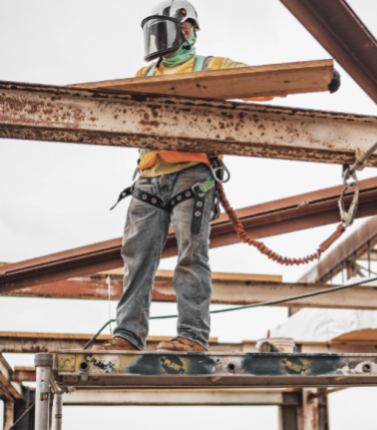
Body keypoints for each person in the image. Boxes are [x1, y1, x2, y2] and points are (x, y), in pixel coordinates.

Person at [91, 0, 277, 353]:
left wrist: (314, 81)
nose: (157, 40)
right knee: (137, 256)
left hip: (193, 176)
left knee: (192, 255)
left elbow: (262, 83)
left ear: (187, 30)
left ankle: (192, 336)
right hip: (148, 177)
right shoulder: (144, 76)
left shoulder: (211, 68)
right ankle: (127, 337)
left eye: (164, 30)